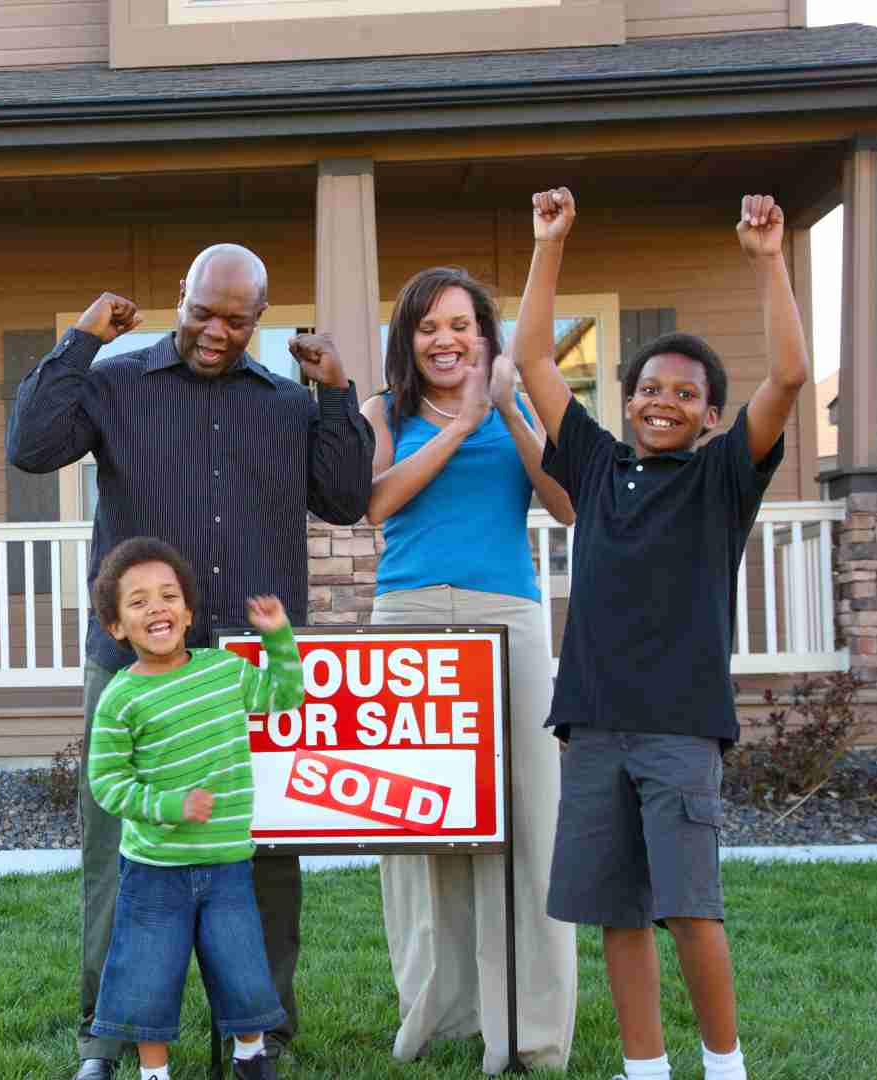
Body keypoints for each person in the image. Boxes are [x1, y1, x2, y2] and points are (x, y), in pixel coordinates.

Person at [6, 243, 375, 1079]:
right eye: (203, 311)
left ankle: (260, 1033)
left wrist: (337, 392)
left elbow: (348, 498)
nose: (216, 331)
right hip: (138, 663)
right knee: (121, 853)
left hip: (248, 663)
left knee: (267, 847)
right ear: (182, 295)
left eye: (238, 320)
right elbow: (30, 447)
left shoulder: (289, 403)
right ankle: (106, 1038)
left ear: (262, 318)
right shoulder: (115, 382)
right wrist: (81, 340)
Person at [517, 188, 807, 1080]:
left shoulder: (722, 476)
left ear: (712, 415)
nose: (662, 401)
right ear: (626, 398)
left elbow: (789, 377)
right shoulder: (599, 466)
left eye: (685, 393)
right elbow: (529, 357)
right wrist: (549, 245)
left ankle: (725, 1066)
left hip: (681, 727)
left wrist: (767, 261)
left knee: (691, 908)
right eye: (648, 388)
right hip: (595, 723)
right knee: (617, 911)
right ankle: (646, 1068)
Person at [358, 264, 579, 1073]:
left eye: (460, 325)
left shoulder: (516, 404)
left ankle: (531, 1031)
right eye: (427, 327)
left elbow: (563, 502)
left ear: (485, 336)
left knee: (528, 824)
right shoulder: (384, 410)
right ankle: (437, 1013)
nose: (444, 340)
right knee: (416, 825)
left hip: (508, 618)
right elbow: (376, 502)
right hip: (408, 621)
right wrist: (457, 425)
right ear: (407, 342)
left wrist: (510, 408)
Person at [85, 537, 306, 1080]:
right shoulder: (121, 697)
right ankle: (153, 1073)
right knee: (147, 976)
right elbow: (107, 784)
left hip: (229, 864)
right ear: (116, 627)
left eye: (168, 595)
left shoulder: (224, 672)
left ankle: (250, 1057)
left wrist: (278, 636)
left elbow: (284, 696)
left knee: (243, 968)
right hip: (154, 872)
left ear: (188, 611)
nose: (156, 607)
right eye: (137, 602)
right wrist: (169, 805)